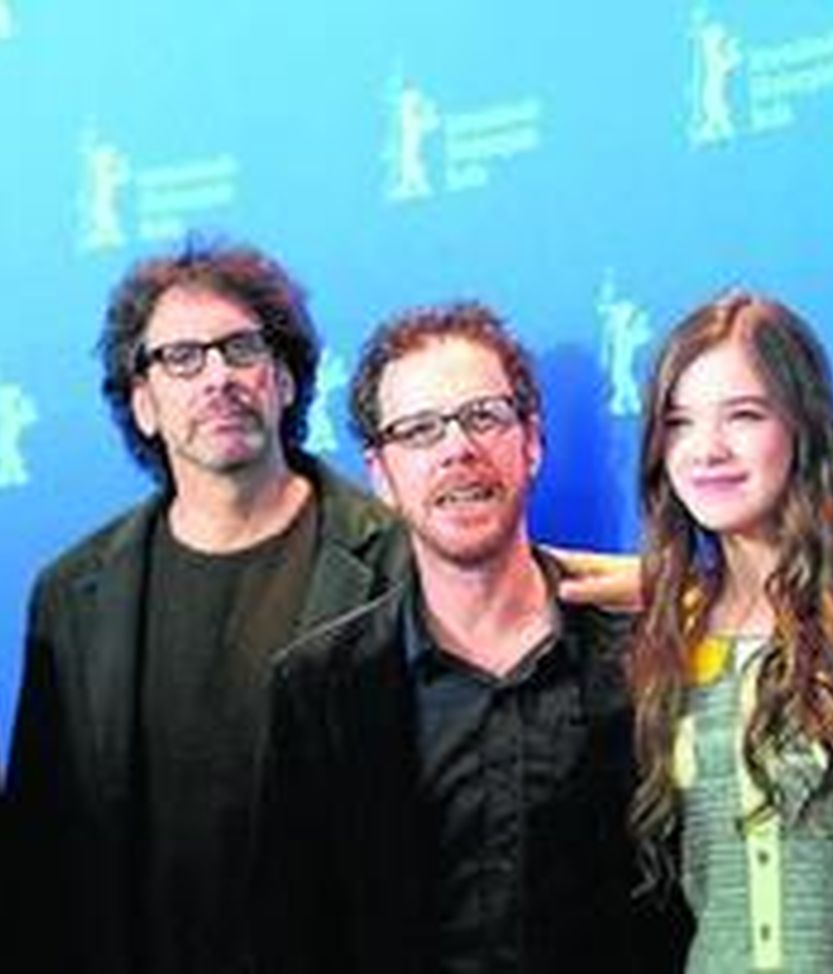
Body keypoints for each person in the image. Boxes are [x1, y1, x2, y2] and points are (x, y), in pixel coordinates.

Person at [2, 239, 411, 974]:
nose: (217, 377)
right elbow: (36, 860)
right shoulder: (71, 595)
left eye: (240, 348)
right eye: (181, 359)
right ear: (143, 404)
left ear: (284, 380)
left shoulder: (399, 563)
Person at [252, 301, 681, 973]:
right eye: (420, 431)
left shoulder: (648, 654)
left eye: (483, 417)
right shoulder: (320, 690)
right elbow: (293, 940)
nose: (458, 448)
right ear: (381, 475)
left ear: (531, 441)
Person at [628, 292, 833, 972]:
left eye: (744, 416)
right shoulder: (674, 629)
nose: (707, 450)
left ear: (804, 427)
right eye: (680, 423)